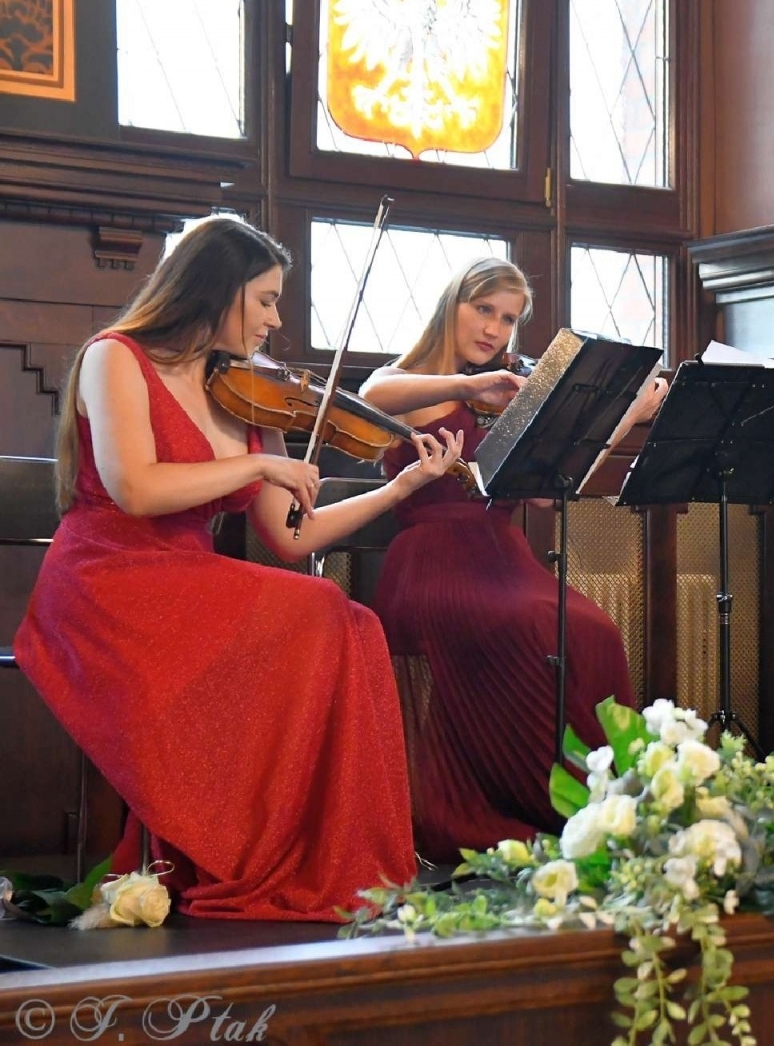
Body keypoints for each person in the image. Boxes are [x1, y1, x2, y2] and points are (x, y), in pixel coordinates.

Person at [14, 216, 466, 921]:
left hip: (189, 583)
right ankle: (251, 851)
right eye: (265, 300)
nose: (274, 319)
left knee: (356, 622)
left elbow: (292, 535)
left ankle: (323, 859)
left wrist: (400, 488)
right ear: (216, 289)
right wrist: (256, 466)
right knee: (319, 610)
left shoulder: (250, 394)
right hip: (106, 580)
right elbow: (135, 489)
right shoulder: (116, 358)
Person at [359, 258, 663, 862]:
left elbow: (551, 488)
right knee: (533, 626)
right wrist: (468, 387)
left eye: (508, 319)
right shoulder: (417, 383)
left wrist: (629, 413)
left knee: (592, 629)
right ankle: (536, 810)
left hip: (505, 556)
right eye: (483, 309)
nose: (494, 329)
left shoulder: (508, 395)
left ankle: (597, 807)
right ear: (452, 305)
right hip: (437, 559)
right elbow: (372, 393)